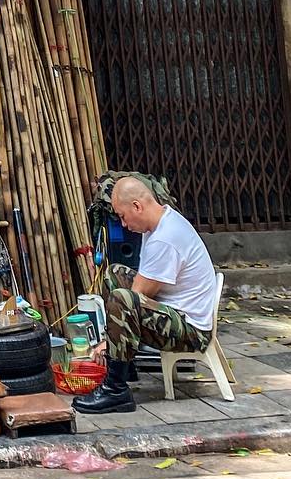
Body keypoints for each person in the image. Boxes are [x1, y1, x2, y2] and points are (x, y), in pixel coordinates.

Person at [73, 175, 221, 416]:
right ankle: (125, 364)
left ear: (137, 207)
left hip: (191, 331)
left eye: (122, 216)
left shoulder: (165, 238)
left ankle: (115, 390)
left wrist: (105, 343)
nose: (122, 224)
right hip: (177, 311)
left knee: (122, 299)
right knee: (115, 273)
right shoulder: (161, 221)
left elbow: (135, 297)